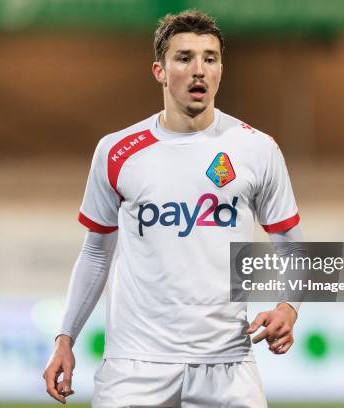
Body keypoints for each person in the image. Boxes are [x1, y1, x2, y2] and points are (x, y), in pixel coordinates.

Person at [43, 10, 304, 407]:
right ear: (160, 71)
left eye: (210, 58)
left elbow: (295, 249)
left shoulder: (257, 149)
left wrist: (288, 308)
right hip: (134, 365)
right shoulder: (116, 151)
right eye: (184, 58)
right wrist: (66, 338)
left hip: (227, 364)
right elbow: (96, 252)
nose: (198, 70)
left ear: (221, 69)